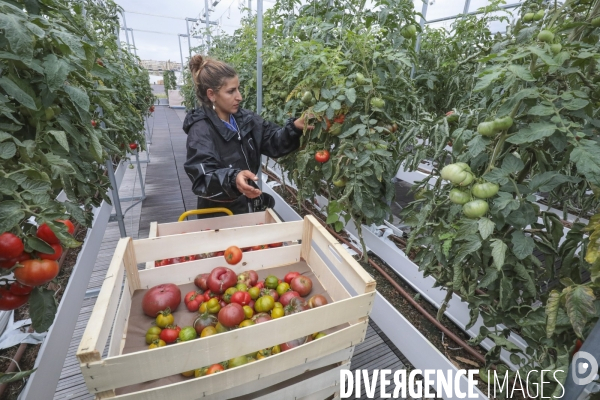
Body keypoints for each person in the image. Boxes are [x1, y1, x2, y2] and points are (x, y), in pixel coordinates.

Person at [183, 55, 309, 218]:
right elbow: (202, 177)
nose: (239, 96)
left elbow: (273, 141)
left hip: (246, 207)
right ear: (212, 94)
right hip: (220, 216)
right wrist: (234, 179)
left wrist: (295, 127)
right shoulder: (201, 130)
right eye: (231, 91)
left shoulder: (245, 119)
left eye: (238, 88)